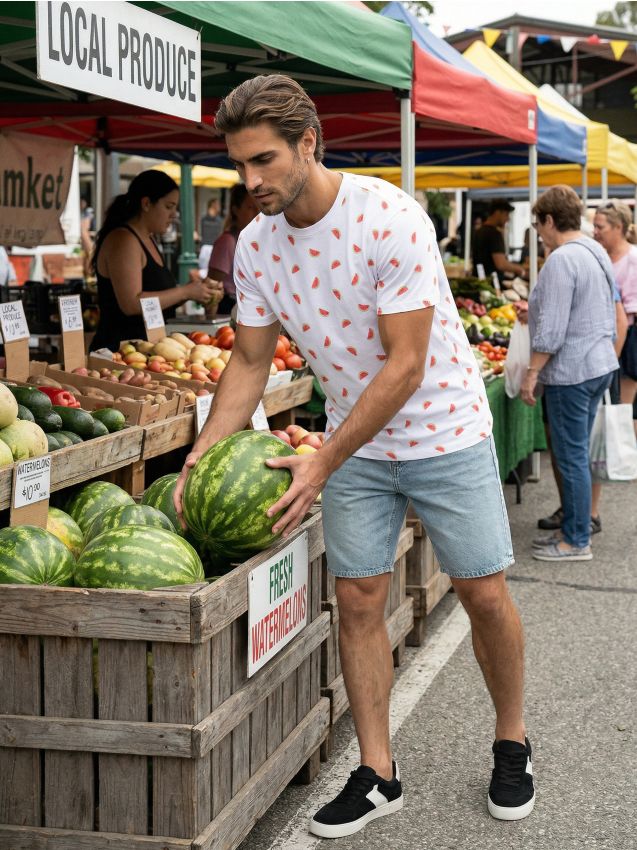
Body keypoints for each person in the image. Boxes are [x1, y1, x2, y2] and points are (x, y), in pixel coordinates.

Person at [174, 74, 535, 836]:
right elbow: (246, 363)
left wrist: (322, 459)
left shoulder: (388, 218)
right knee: (360, 601)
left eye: (264, 160)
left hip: (443, 430)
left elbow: (403, 365)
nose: (251, 181)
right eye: (240, 165)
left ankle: (511, 740)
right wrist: (201, 455)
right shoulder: (258, 248)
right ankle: (377, 773)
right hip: (354, 444)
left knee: (481, 594)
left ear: (309, 142)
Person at [520, 185, 618, 562]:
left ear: (549, 219)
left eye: (538, 224)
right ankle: (574, 528)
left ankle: (576, 540)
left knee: (571, 456)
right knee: (576, 454)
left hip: (572, 371)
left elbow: (553, 332)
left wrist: (532, 373)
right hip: (597, 364)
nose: (539, 233)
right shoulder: (596, 251)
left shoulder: (562, 259)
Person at [90, 170, 220, 352]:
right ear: (146, 203)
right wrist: (184, 292)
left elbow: (156, 298)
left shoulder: (148, 239)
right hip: (118, 352)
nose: (174, 214)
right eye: (169, 206)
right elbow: (132, 304)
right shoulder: (124, 240)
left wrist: (194, 291)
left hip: (146, 350)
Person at [593, 200, 637, 426]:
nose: (595, 232)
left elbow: (627, 315)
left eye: (601, 227)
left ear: (618, 227)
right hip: (605, 343)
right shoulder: (600, 256)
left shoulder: (633, 259)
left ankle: (624, 458)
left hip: (626, 343)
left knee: (623, 410)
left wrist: (616, 353)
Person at [207, 183, 259, 315]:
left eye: (259, 207)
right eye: (250, 207)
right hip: (228, 308)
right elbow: (211, 286)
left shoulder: (251, 240)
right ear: (236, 210)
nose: (257, 212)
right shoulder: (227, 242)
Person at [473, 200, 527, 282]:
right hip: (492, 283)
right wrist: (519, 269)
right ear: (498, 212)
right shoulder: (494, 234)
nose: (508, 219)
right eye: (506, 214)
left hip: (480, 281)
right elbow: (501, 264)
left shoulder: (479, 231)